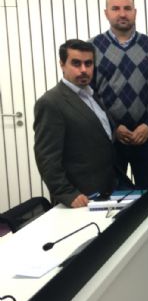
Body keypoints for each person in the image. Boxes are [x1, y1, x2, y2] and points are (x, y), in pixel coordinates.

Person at [90, 0, 148, 189]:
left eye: (127, 8)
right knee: (113, 202)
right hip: (110, 139)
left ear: (135, 12)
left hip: (147, 137)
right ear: (106, 13)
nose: (122, 13)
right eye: (116, 8)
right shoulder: (92, 48)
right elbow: (89, 95)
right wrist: (114, 127)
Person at [34, 39, 116, 207]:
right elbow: (47, 158)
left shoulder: (92, 95)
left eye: (88, 63)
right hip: (80, 198)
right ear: (62, 64)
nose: (84, 70)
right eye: (76, 63)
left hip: (107, 190)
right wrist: (67, 193)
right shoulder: (51, 102)